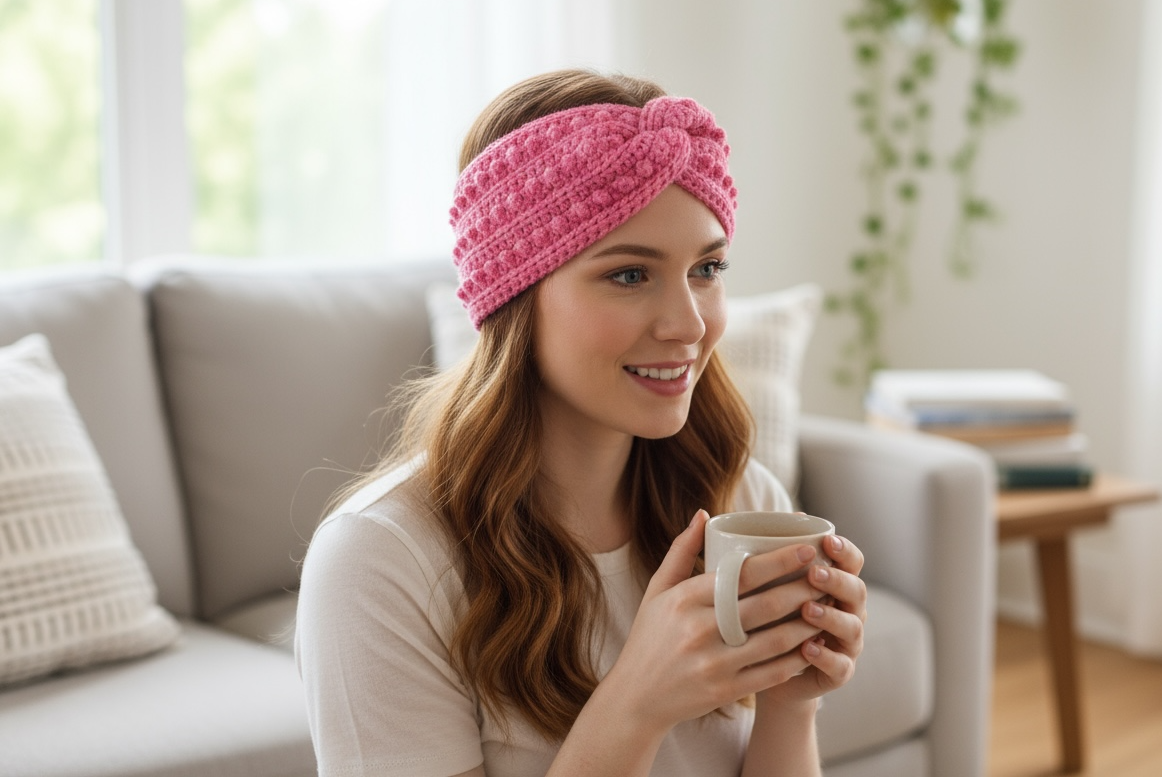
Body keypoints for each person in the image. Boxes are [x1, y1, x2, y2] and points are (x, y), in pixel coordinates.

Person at [294, 69, 868, 777]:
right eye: (630, 274)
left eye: (708, 267)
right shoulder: (380, 564)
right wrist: (637, 703)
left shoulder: (741, 501)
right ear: (515, 298)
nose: (689, 323)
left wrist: (790, 701)